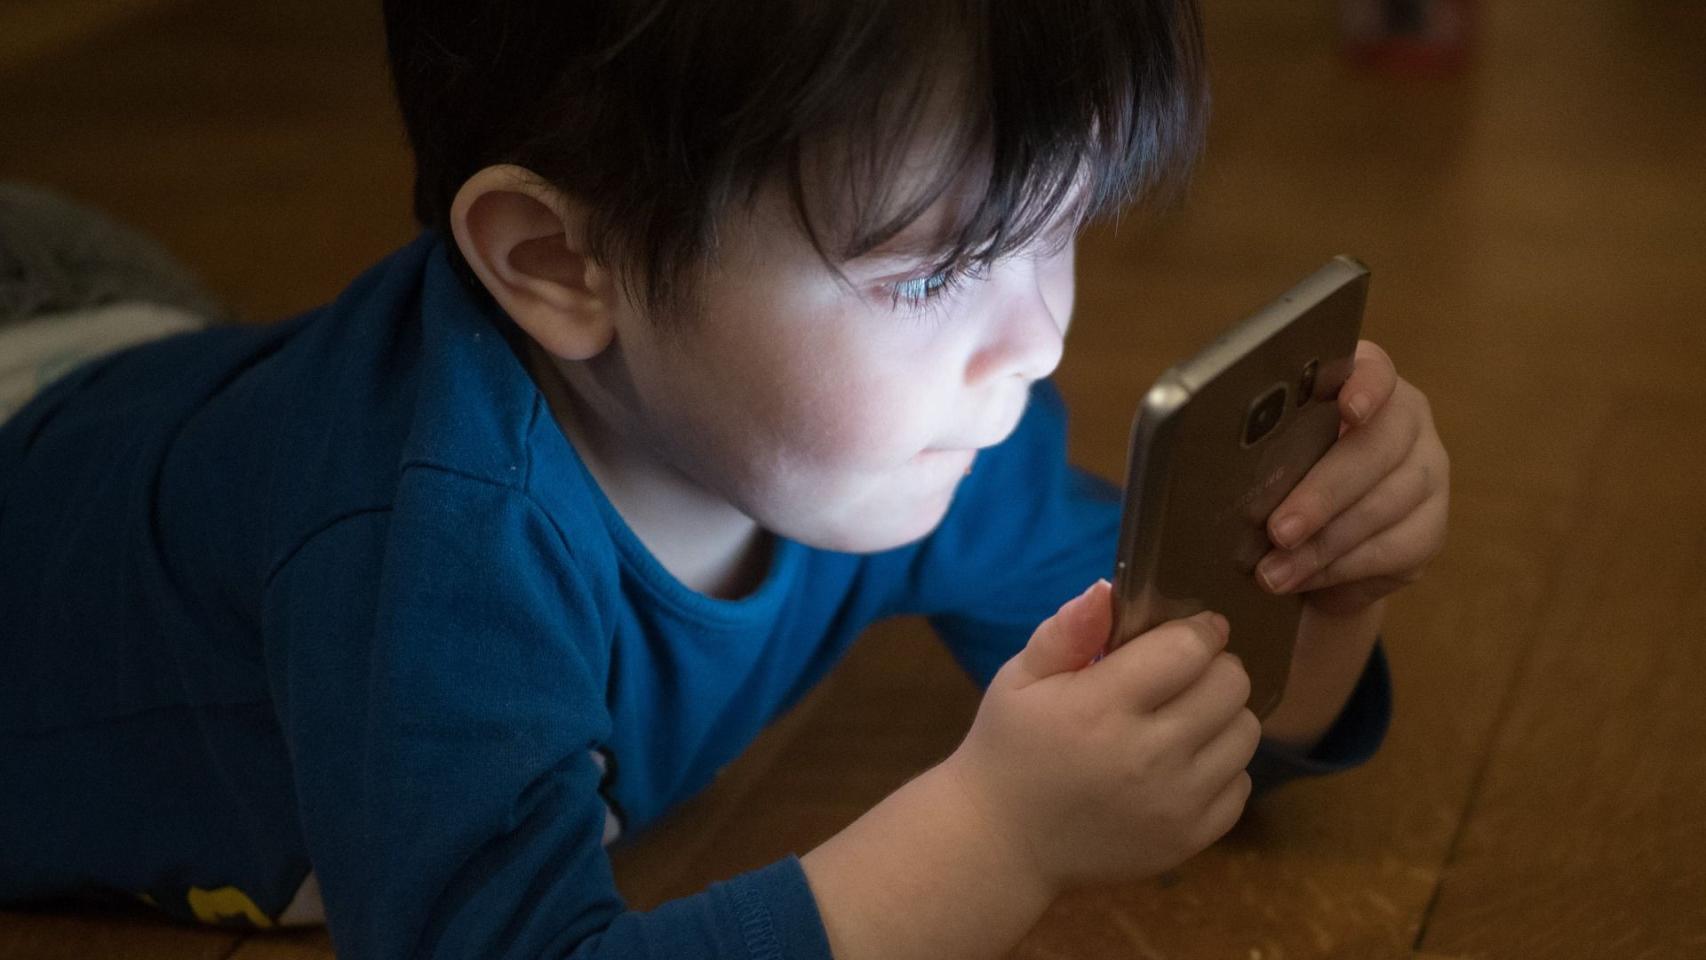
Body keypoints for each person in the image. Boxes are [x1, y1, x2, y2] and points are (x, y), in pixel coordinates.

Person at [0, 0, 1450, 957]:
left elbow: (1197, 718)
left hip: (141, 368)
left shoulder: (926, 427)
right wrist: (992, 839)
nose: (1036, 337)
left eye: (1055, 227)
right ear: (564, 263)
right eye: (939, 269)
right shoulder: (430, 552)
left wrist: (1321, 590)